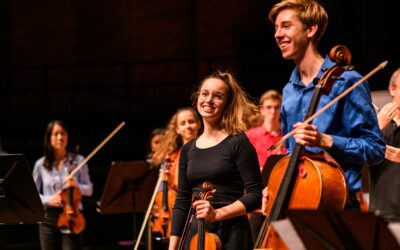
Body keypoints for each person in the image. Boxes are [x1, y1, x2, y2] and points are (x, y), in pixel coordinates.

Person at [261, 0, 385, 215]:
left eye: (286, 26)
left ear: (311, 29)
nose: (277, 35)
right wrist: (274, 187)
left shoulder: (346, 82)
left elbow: (375, 148)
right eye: (276, 28)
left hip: (338, 203)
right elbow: (292, 154)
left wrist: (326, 141)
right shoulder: (289, 91)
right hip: (298, 202)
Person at [168, 71, 263, 250]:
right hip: (197, 235)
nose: (208, 100)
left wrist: (218, 213)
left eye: (217, 96)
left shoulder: (238, 142)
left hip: (233, 234)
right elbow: (182, 202)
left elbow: (255, 195)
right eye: (204, 94)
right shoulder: (188, 149)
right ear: (197, 97)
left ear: (227, 103)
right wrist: (173, 247)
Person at [33, 120, 93, 250]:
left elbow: (89, 190)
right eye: (56, 134)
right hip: (48, 218)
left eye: (63, 133)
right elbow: (33, 195)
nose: (60, 137)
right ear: (49, 138)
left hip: (72, 215)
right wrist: (49, 199)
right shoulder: (40, 165)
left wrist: (77, 185)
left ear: (67, 136)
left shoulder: (79, 161)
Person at [245, 89, 286, 242]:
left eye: (276, 107)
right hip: (256, 201)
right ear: (262, 109)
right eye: (269, 107)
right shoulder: (251, 136)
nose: (273, 111)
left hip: (281, 199)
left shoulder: (286, 136)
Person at [369, 67, 400, 222]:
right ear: (392, 89)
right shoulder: (375, 123)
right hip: (381, 214)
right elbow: (354, 160)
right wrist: (377, 127)